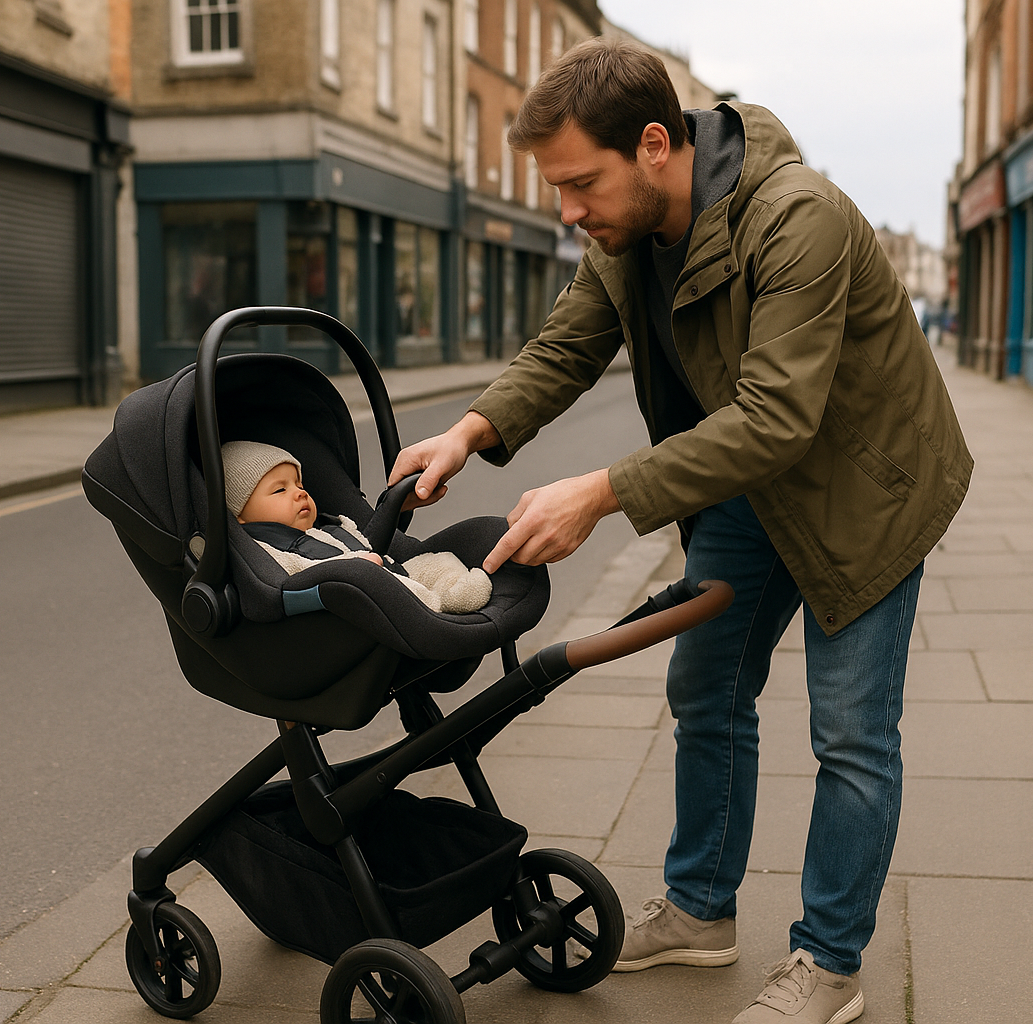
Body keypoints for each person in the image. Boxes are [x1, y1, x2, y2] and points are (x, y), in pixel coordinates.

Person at [387, 38, 972, 1024]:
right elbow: (568, 343)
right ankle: (702, 912)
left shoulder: (799, 219)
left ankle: (830, 965)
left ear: (656, 145)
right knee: (704, 689)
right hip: (749, 487)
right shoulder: (624, 236)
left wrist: (604, 490)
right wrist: (471, 428)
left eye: (579, 184)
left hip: (867, 490)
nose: (567, 212)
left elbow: (777, 417)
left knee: (852, 734)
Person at [220, 440, 491, 614]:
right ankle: (434, 610)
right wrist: (356, 568)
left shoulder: (329, 526)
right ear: (240, 515)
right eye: (280, 489)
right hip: (352, 603)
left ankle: (459, 592)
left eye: (300, 485)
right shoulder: (267, 552)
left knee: (439, 561)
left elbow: (367, 541)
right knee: (394, 588)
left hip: (390, 573)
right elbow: (295, 581)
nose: (300, 493)